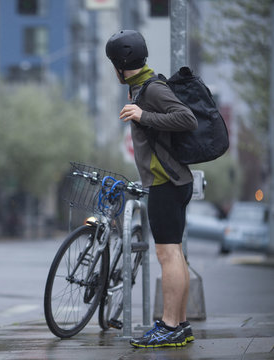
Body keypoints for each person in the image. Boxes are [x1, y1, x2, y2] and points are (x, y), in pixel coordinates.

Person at [105, 30, 198, 348]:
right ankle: (180, 325)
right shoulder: (142, 87)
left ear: (119, 66)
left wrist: (144, 114)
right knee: (175, 255)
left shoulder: (151, 90)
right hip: (172, 181)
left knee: (167, 253)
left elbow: (187, 119)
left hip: (166, 183)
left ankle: (170, 326)